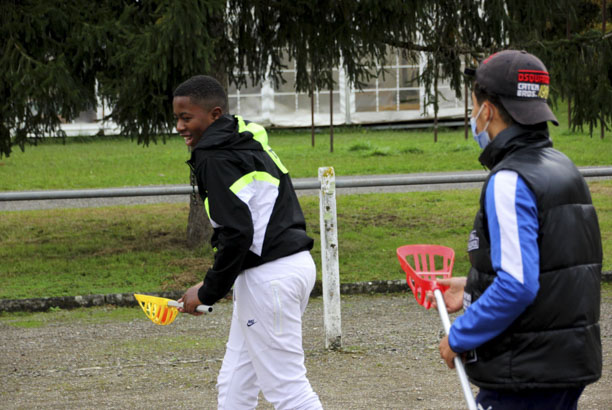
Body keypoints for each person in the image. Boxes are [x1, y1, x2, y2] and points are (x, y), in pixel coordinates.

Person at [431, 50, 602, 409]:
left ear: (488, 111)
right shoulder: (563, 168)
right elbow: (552, 266)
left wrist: (460, 334)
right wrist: (473, 287)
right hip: (565, 364)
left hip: (524, 371)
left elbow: (517, 284)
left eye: (473, 107)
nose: (473, 119)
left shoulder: (509, 180)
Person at [173, 75, 323, 410]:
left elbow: (237, 232)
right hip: (289, 268)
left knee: (288, 391)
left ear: (213, 114)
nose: (180, 127)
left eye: (187, 118)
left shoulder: (212, 156)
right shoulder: (246, 139)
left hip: (268, 278)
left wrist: (208, 291)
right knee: (235, 384)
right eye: (177, 119)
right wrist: (217, 283)